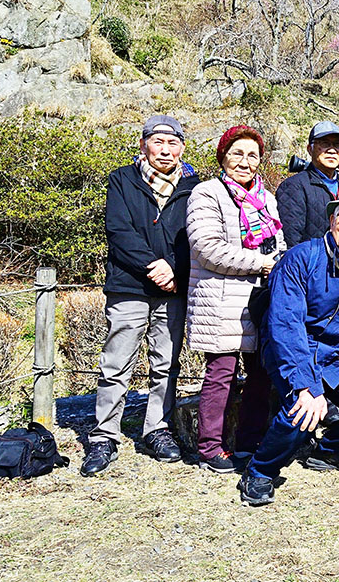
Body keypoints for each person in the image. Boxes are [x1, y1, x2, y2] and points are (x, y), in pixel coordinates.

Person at [238, 186, 339, 506]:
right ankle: (260, 471)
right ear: (332, 219)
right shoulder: (301, 259)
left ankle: (329, 452)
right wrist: (307, 384)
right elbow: (285, 326)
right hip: (297, 351)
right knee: (302, 410)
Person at [81, 115, 198, 477]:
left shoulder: (194, 186)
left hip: (174, 289)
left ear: (181, 147)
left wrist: (176, 273)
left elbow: (195, 237)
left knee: (166, 364)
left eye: (173, 143)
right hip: (130, 284)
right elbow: (118, 231)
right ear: (144, 144)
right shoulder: (122, 179)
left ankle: (157, 429)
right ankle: (104, 435)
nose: (166, 150)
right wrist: (154, 266)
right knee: (116, 363)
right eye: (158, 142)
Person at [185, 126, 286, 473]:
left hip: (260, 298)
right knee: (221, 374)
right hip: (221, 299)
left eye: (252, 155)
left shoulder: (266, 198)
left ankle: (249, 443)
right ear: (223, 156)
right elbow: (207, 248)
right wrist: (263, 263)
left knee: (261, 374)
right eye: (237, 154)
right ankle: (210, 447)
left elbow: (278, 242)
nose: (245, 162)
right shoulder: (207, 193)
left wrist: (280, 265)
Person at [276, 121, 339, 249]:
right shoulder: (294, 187)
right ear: (310, 149)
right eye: (325, 144)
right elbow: (291, 240)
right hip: (310, 265)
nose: (332, 150)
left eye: (337, 145)